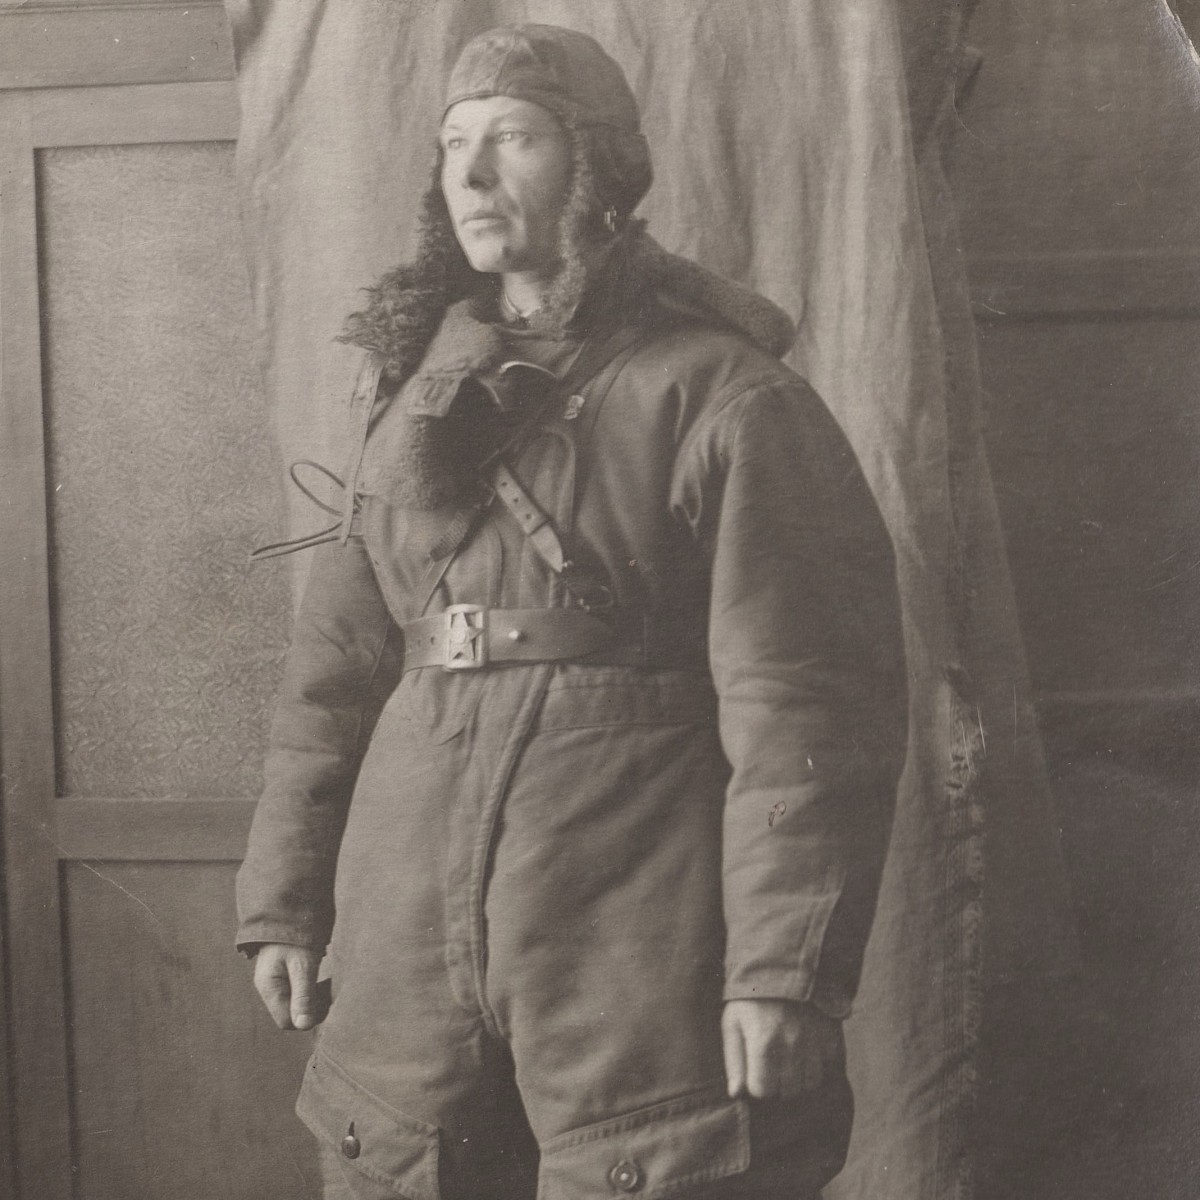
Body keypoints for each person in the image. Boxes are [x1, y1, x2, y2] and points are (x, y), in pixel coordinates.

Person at [237, 23, 907, 1200]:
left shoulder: (728, 398)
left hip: (635, 919)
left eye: (515, 138)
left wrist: (781, 972)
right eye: (454, 145)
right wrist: (285, 899)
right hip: (408, 918)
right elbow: (334, 673)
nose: (475, 173)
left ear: (595, 167)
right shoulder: (412, 406)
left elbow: (805, 704)